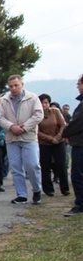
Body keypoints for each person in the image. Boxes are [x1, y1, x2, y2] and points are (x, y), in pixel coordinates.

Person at [0, 75, 44, 204]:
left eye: (16, 85)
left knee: (32, 164)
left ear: (21, 84)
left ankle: (36, 189)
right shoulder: (5, 101)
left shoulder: (32, 98)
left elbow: (38, 115)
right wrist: (11, 127)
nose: (13, 88)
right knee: (16, 168)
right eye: (11, 86)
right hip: (12, 138)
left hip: (28, 137)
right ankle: (21, 194)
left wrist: (24, 127)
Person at [37, 93, 70, 196]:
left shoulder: (55, 112)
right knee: (45, 166)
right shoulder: (36, 114)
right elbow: (36, 131)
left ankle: (65, 188)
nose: (43, 105)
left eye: (46, 103)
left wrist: (58, 137)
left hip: (58, 142)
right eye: (41, 103)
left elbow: (63, 125)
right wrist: (50, 139)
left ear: (49, 103)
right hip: (44, 143)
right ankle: (48, 189)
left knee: (61, 164)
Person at [61, 75, 83, 216]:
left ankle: (80, 204)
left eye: (78, 84)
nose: (77, 87)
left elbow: (77, 123)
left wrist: (65, 133)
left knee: (77, 174)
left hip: (80, 143)